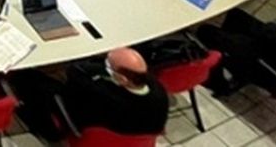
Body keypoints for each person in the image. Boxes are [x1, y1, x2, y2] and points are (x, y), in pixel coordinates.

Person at [11, 48, 168, 141]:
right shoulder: (159, 93)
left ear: (121, 79)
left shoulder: (97, 91)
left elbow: (74, 74)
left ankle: (46, 131)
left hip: (94, 133)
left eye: (107, 65)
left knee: (33, 81)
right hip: (135, 137)